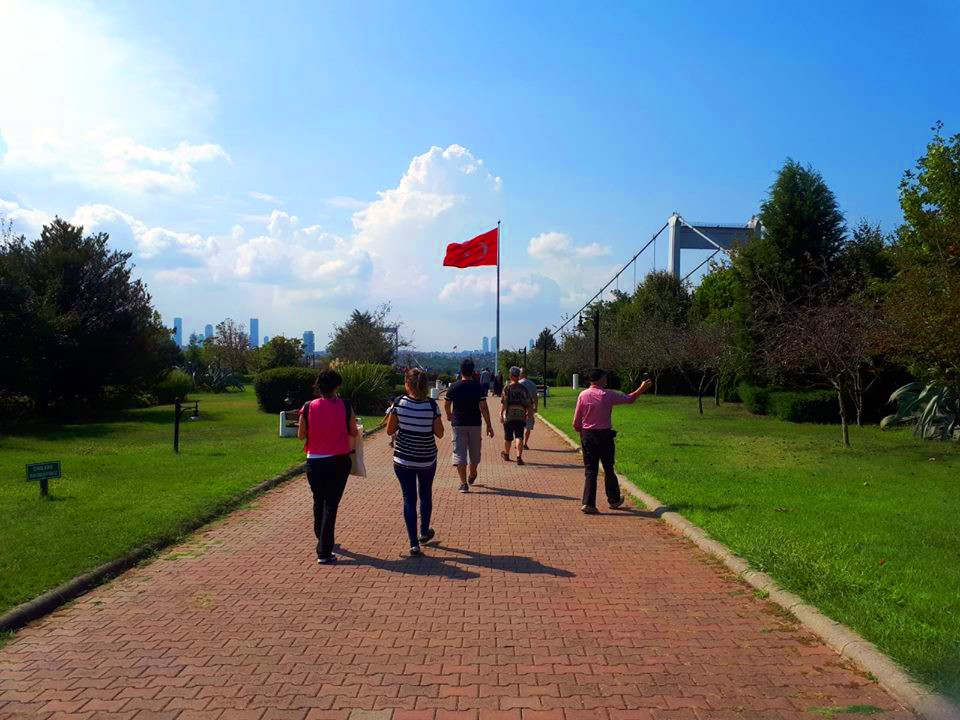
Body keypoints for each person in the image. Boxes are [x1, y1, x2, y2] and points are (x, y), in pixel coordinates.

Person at [297, 369, 359, 565]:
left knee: (319, 500)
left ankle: (321, 535)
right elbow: (353, 432)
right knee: (331, 504)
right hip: (338, 460)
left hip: (314, 461)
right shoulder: (345, 405)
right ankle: (324, 550)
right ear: (337, 386)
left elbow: (301, 435)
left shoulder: (308, 406)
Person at [572, 368, 653, 514]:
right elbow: (630, 399)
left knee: (590, 470)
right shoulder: (607, 395)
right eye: (604, 377)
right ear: (599, 379)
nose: (606, 379)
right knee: (608, 467)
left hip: (588, 435)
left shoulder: (583, 395)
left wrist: (582, 433)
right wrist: (642, 388)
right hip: (604, 435)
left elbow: (576, 423)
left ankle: (588, 503)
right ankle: (614, 499)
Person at [386, 368, 444, 556]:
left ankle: (413, 543)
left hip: (403, 458)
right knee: (425, 494)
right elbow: (440, 433)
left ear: (407, 384)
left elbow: (389, 430)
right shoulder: (432, 406)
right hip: (426, 458)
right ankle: (424, 532)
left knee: (409, 498)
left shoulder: (398, 403)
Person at [445, 358, 495, 493]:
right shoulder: (477, 387)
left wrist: (449, 415)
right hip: (475, 424)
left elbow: (447, 404)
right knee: (474, 453)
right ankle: (472, 473)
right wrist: (489, 425)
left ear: (461, 371)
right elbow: (483, 407)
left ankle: (463, 483)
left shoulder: (454, 386)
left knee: (459, 453)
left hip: (458, 424)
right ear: (473, 371)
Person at [500, 366, 532, 465]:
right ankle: (519, 457)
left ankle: (507, 454)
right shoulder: (524, 389)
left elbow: (504, 402)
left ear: (511, 375)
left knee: (508, 437)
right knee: (519, 436)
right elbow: (528, 403)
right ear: (518, 376)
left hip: (509, 416)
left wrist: (501, 413)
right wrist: (529, 414)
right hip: (520, 416)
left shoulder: (507, 388)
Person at [518, 368, 539, 450]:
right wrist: (536, 407)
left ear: (522, 374)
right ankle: (525, 443)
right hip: (529, 407)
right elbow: (535, 397)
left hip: (519, 407)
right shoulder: (532, 384)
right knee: (528, 426)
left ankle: (519, 442)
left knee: (518, 426)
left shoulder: (518, 383)